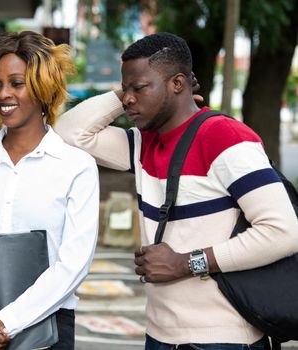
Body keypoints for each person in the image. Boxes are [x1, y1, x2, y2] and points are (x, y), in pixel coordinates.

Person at [54, 32, 298, 348]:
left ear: (178, 84)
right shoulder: (142, 143)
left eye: (139, 88)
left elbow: (283, 231)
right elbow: (70, 132)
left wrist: (185, 263)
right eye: (126, 90)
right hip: (159, 334)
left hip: (222, 338)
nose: (129, 99)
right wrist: (125, 91)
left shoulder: (224, 137)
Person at [0, 31, 99, 350]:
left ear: (43, 87)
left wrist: (6, 324)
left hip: (49, 326)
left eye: (17, 83)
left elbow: (73, 264)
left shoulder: (77, 167)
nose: (3, 94)